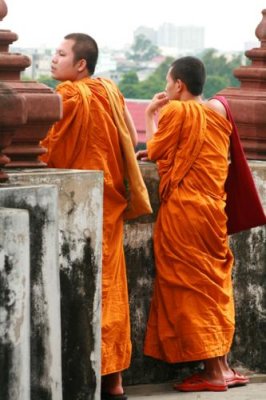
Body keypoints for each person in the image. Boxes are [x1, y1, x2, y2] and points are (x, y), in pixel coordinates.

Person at [40, 33, 152, 399]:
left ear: (81, 64)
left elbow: (47, 146)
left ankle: (86, 378)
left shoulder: (72, 96)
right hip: (110, 206)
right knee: (112, 290)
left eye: (61, 54)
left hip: (79, 208)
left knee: (87, 290)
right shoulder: (109, 91)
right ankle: (114, 380)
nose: (53, 59)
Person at [137, 56, 249, 392]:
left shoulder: (176, 112)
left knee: (191, 288)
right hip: (214, 211)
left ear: (178, 85)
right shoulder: (218, 113)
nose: (167, 89)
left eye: (169, 83)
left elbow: (156, 149)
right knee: (213, 284)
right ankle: (225, 366)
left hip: (185, 212)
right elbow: (192, 152)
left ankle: (213, 373)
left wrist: (150, 114)